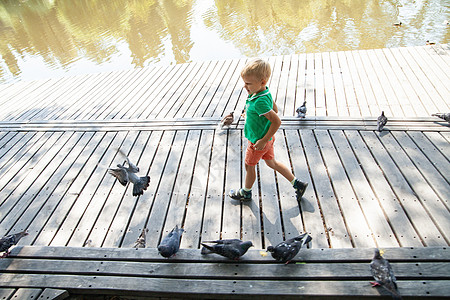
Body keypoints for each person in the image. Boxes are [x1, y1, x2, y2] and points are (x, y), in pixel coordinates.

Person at [229, 58, 308, 201]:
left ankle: (245, 192)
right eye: (244, 83)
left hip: (258, 141)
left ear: (262, 82)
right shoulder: (263, 92)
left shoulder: (259, 101)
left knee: (249, 166)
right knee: (272, 163)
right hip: (268, 140)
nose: (245, 86)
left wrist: (263, 140)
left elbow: (277, 121)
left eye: (248, 84)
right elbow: (275, 109)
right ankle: (297, 184)